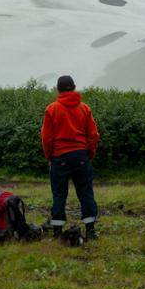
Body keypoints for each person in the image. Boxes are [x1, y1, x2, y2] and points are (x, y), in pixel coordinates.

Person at [41, 75, 100, 240]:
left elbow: (47, 138)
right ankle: (90, 230)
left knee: (59, 195)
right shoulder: (84, 109)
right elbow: (94, 135)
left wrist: (49, 157)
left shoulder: (51, 109)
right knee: (86, 193)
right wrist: (89, 154)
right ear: (74, 87)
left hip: (59, 157)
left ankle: (57, 232)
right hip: (81, 156)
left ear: (58, 89)